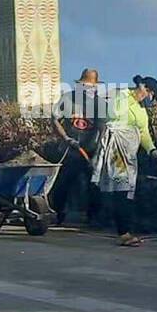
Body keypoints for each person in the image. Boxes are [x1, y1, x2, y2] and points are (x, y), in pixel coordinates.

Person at [91, 75, 157, 247]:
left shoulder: (141, 111)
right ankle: (123, 232)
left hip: (130, 154)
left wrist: (152, 151)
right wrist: (133, 98)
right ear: (143, 88)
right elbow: (114, 114)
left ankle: (126, 228)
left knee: (128, 190)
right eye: (150, 94)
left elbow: (144, 133)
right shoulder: (121, 96)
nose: (149, 99)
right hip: (116, 151)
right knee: (121, 188)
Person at [50, 68, 107, 226]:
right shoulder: (68, 99)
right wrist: (66, 138)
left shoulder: (99, 103)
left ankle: (94, 217)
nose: (89, 89)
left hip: (89, 151)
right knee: (63, 183)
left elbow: (102, 128)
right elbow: (54, 119)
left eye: (92, 87)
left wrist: (97, 151)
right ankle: (58, 214)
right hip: (69, 151)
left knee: (94, 184)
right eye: (85, 86)